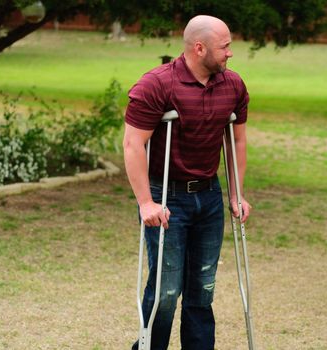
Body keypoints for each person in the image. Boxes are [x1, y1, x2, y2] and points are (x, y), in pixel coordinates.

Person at [123, 15, 251, 350]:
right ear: (199, 48)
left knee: (201, 290)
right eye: (224, 47)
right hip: (165, 197)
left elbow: (236, 141)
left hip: (208, 197)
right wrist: (145, 203)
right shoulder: (156, 85)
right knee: (166, 292)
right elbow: (133, 144)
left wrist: (236, 194)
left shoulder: (233, 85)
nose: (230, 54)